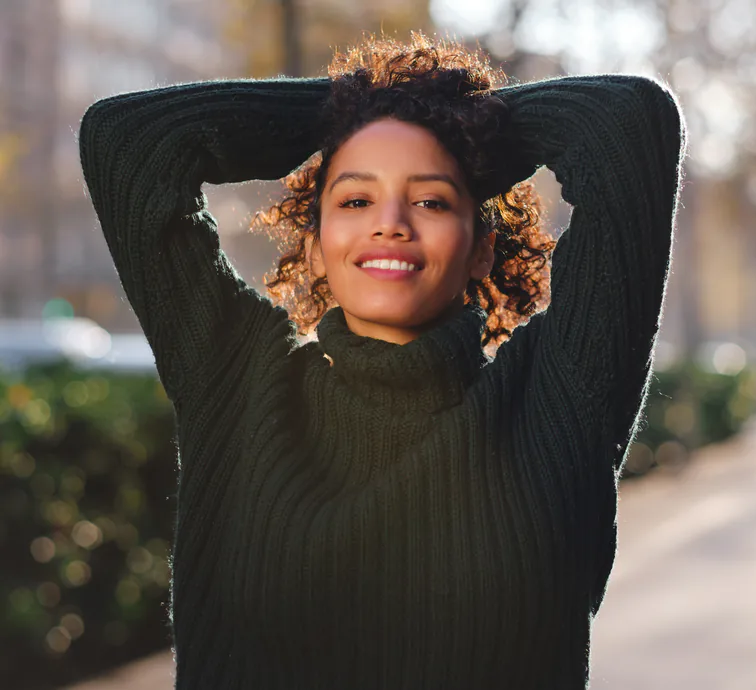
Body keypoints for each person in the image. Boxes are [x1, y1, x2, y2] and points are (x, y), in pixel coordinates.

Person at [79, 31, 684, 690]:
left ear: (481, 250)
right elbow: (126, 142)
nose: (390, 221)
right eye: (356, 199)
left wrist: (448, 117)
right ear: (314, 248)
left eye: (431, 199)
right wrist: (369, 106)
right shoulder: (239, 383)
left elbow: (627, 124)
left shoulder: (556, 402)